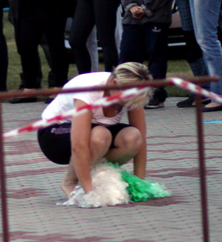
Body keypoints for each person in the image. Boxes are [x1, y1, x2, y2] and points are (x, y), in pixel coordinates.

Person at [38, 62, 151, 199]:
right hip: (53, 135)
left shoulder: (133, 90)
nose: (130, 104)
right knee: (101, 136)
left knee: (133, 137)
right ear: (114, 84)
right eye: (128, 100)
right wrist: (90, 194)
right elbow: (79, 145)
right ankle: (70, 182)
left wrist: (140, 182)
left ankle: (93, 174)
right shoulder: (88, 91)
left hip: (96, 131)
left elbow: (141, 140)